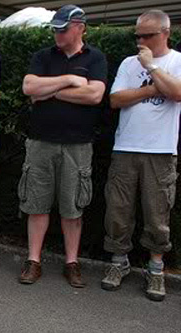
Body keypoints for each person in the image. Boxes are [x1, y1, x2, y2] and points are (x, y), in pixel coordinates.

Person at [18, 5, 107, 287]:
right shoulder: (43, 56)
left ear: (80, 27)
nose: (57, 34)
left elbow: (94, 95)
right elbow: (30, 88)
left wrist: (50, 91)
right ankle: (33, 260)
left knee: (73, 207)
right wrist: (68, 81)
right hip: (41, 142)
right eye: (55, 29)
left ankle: (72, 262)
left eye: (63, 29)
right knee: (36, 205)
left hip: (77, 146)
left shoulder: (95, 58)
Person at [101, 10, 181, 302]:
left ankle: (156, 268)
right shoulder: (127, 63)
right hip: (125, 148)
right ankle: (118, 263)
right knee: (118, 211)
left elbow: (177, 92)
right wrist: (149, 90)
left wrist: (152, 67)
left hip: (160, 151)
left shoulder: (177, 61)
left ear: (165, 33)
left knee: (157, 214)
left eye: (147, 35)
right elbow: (115, 99)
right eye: (137, 35)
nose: (140, 41)